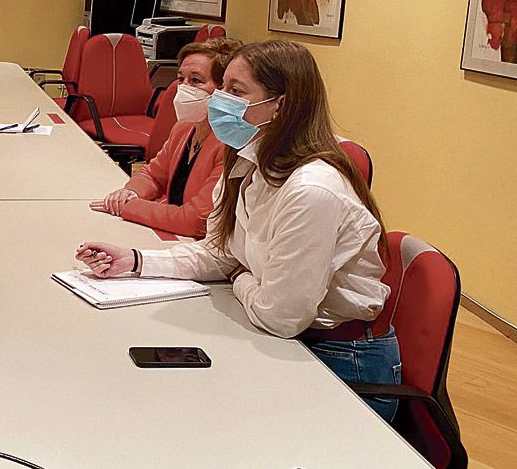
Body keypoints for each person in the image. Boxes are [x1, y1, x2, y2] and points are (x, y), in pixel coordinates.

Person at [75, 41, 398, 420]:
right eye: (223, 87)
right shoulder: (248, 162)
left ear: (281, 105)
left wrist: (241, 278)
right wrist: (134, 260)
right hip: (285, 338)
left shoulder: (312, 191)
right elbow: (218, 252)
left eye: (236, 91)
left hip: (339, 362)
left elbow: (279, 316)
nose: (219, 101)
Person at [90, 37, 241, 237]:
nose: (184, 88)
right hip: (171, 234)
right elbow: (152, 174)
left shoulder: (230, 144)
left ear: (224, 89)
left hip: (198, 246)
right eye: (181, 79)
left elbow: (196, 221)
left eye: (196, 80)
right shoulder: (184, 128)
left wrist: (129, 207)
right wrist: (131, 192)